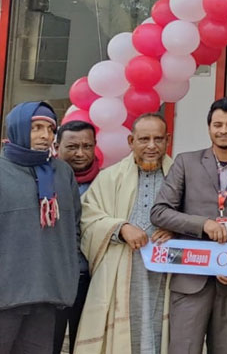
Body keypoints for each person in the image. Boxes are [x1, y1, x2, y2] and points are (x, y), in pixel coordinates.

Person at [151, 97, 227, 354]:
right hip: (191, 277)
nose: (223, 130)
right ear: (209, 128)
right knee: (183, 348)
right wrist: (201, 224)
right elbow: (159, 212)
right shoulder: (186, 162)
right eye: (218, 124)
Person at [77, 113, 174, 354]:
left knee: (160, 329)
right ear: (131, 141)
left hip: (166, 271)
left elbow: (195, 215)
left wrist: (176, 229)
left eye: (158, 139)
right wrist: (120, 228)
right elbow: (87, 217)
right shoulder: (109, 177)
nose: (151, 146)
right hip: (121, 267)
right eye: (144, 139)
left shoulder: (180, 177)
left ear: (167, 140)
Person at [0, 102, 80, 354]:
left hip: (46, 291)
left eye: (50, 129)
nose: (45, 135)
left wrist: (67, 273)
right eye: (36, 128)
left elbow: (73, 227)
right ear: (18, 128)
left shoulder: (62, 173)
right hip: (5, 291)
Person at [52, 119, 98, 354]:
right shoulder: (44, 181)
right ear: (56, 146)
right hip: (53, 279)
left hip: (92, 278)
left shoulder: (108, 182)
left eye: (87, 146)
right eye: (72, 147)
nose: (80, 153)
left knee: (88, 345)